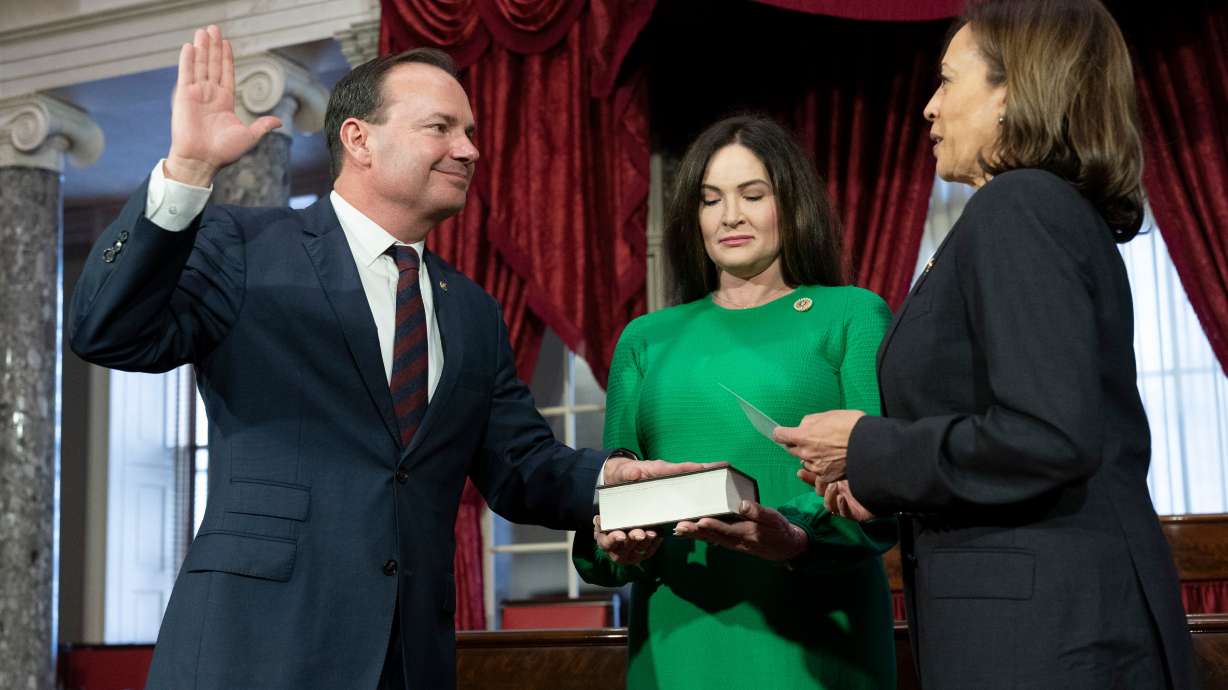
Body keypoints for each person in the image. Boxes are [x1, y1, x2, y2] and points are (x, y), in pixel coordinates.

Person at [69, 25, 707, 690]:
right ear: (359, 139)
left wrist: (612, 481)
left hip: (409, 659)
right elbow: (105, 331)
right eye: (442, 127)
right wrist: (188, 171)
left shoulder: (473, 312)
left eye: (470, 132)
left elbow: (519, 466)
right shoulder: (246, 247)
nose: (469, 150)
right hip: (254, 645)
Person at [774, 1, 1200, 688]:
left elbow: (1047, 436)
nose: (929, 108)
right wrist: (882, 483)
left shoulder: (1019, 205)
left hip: (1045, 636)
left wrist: (868, 446)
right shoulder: (1043, 210)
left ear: (1012, 92)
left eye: (947, 81)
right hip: (1049, 618)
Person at [573, 115, 898, 689]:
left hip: (815, 632)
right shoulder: (645, 338)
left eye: (753, 195)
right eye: (710, 199)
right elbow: (613, 492)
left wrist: (795, 536)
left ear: (791, 204)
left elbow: (885, 490)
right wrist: (617, 541)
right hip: (678, 634)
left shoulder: (853, 314)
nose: (730, 216)